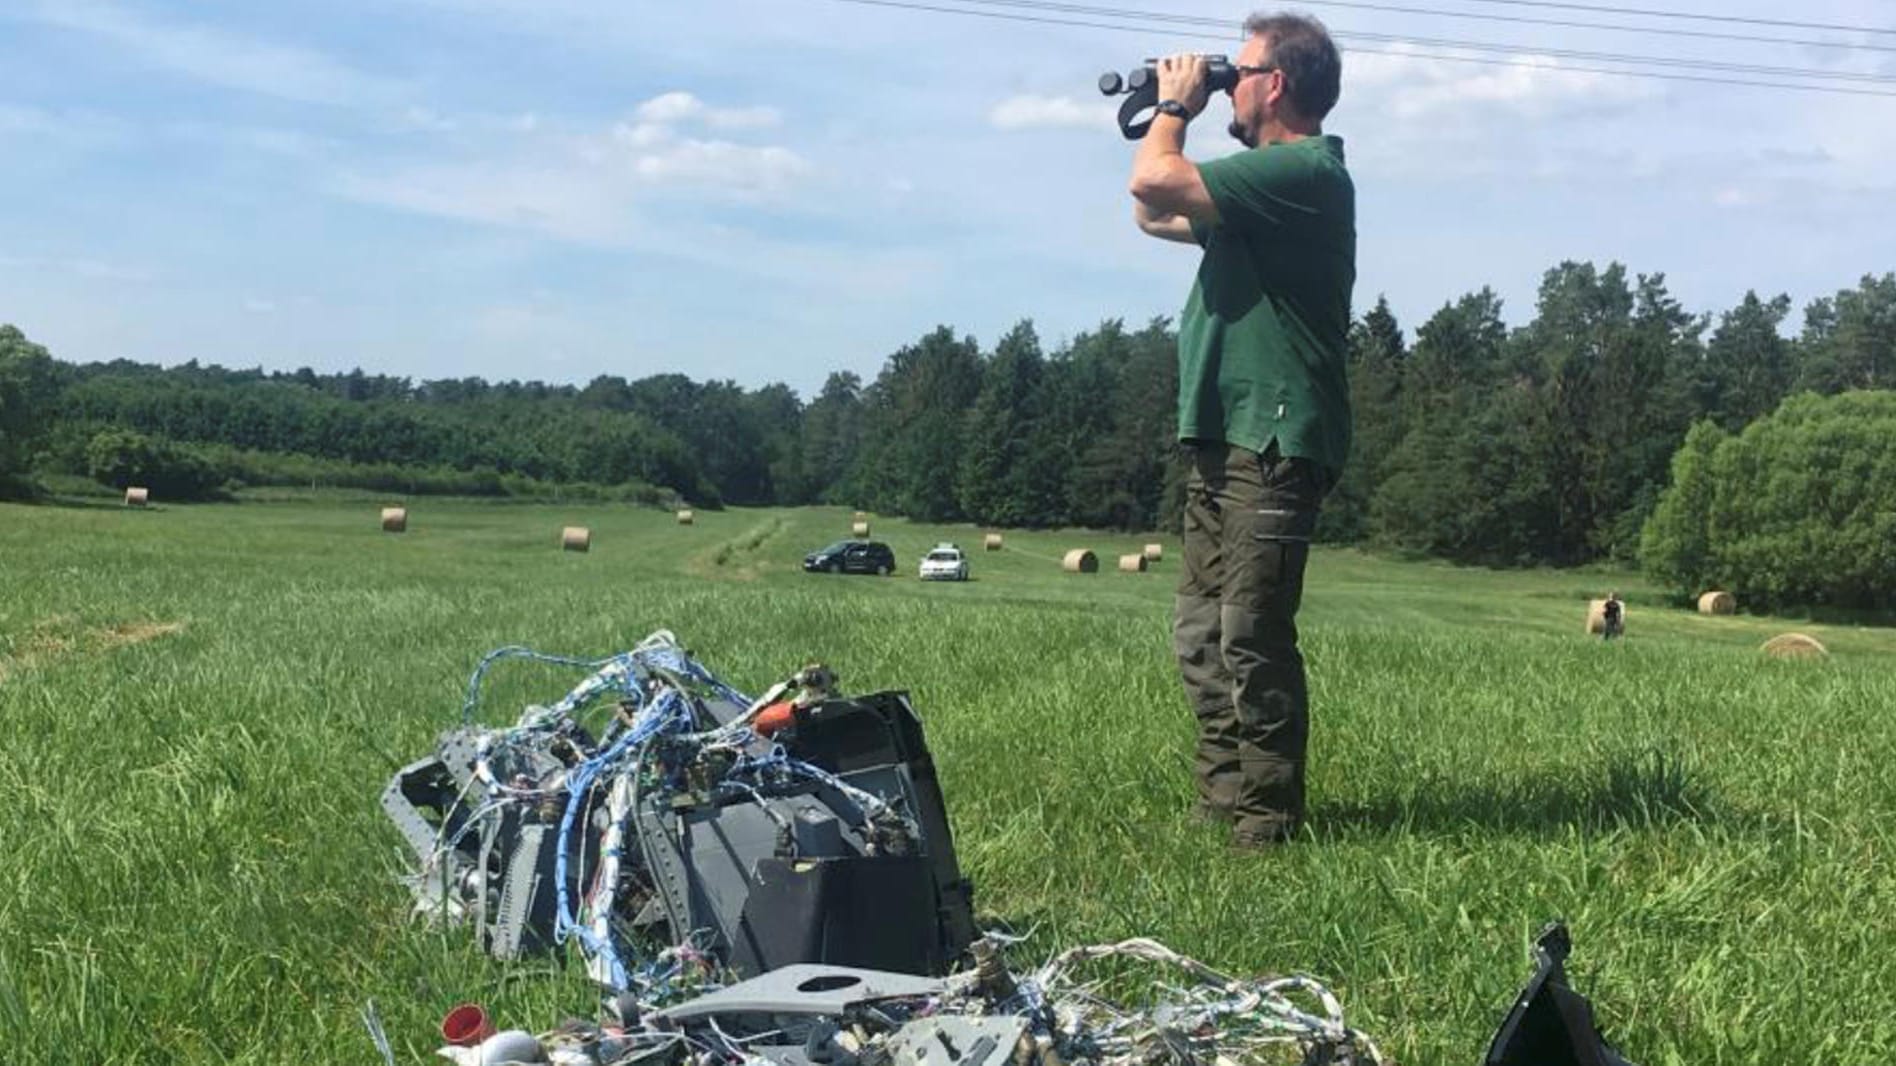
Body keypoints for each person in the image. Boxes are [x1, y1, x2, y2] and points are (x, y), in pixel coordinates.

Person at [1128, 12, 1354, 849]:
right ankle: (1220, 805)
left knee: (1251, 637)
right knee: (1200, 634)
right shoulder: (1261, 192)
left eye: (1240, 68)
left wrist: (1177, 109)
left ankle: (1267, 826)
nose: (1227, 78)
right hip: (1224, 436)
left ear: (1275, 84)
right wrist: (1157, 110)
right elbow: (1155, 213)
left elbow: (1152, 183)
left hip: (1276, 438)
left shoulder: (1303, 172)